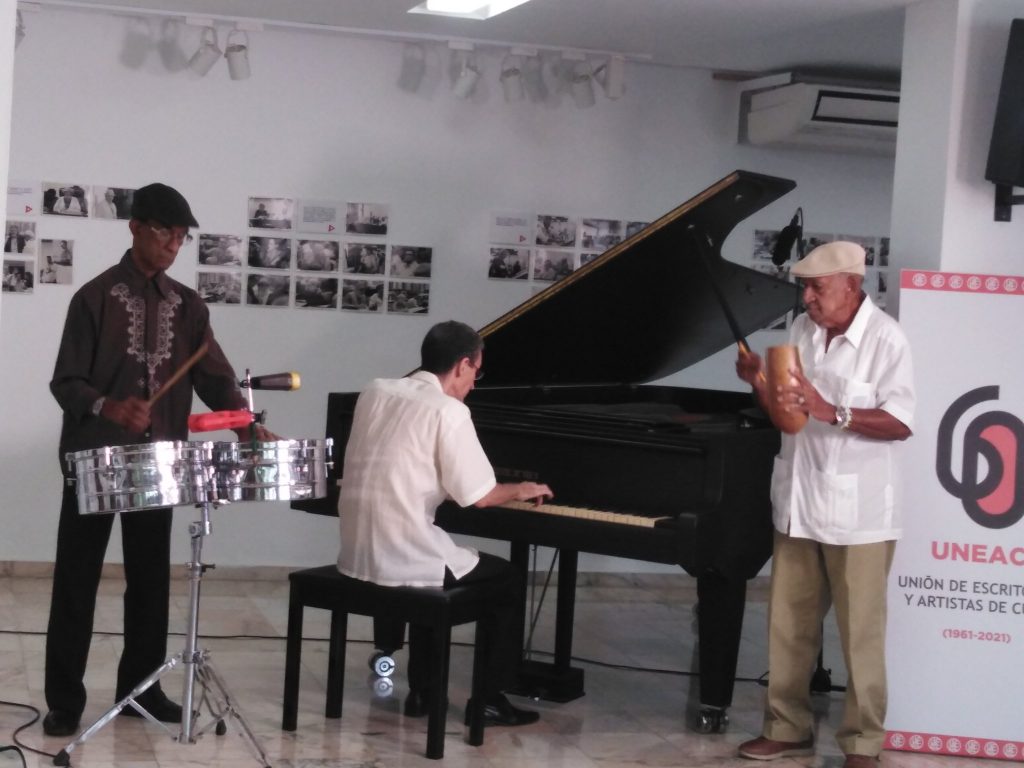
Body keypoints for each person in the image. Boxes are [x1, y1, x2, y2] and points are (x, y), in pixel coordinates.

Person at [43, 182, 276, 739]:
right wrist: (107, 406)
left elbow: (216, 378)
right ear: (135, 228)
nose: (173, 244)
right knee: (77, 580)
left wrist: (245, 422)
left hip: (158, 462)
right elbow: (65, 382)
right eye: (165, 232)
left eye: (181, 236)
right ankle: (65, 702)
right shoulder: (94, 298)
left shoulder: (189, 306)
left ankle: (141, 692)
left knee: (149, 583)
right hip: (94, 461)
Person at [734, 242, 915, 768]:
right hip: (798, 502)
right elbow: (787, 415)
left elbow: (901, 423)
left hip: (860, 515)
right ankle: (786, 728)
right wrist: (759, 384)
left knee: (860, 635)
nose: (807, 298)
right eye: (805, 288)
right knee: (788, 626)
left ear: (851, 285)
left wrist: (833, 411)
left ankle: (862, 743)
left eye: (817, 288)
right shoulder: (802, 331)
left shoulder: (887, 338)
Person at [338, 320, 553, 728]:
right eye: (476, 372)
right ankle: (489, 699)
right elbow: (480, 496)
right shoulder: (449, 411)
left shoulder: (375, 391)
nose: (474, 383)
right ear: (462, 365)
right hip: (403, 554)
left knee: (438, 571)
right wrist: (522, 488)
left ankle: (423, 691)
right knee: (506, 579)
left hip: (357, 551)